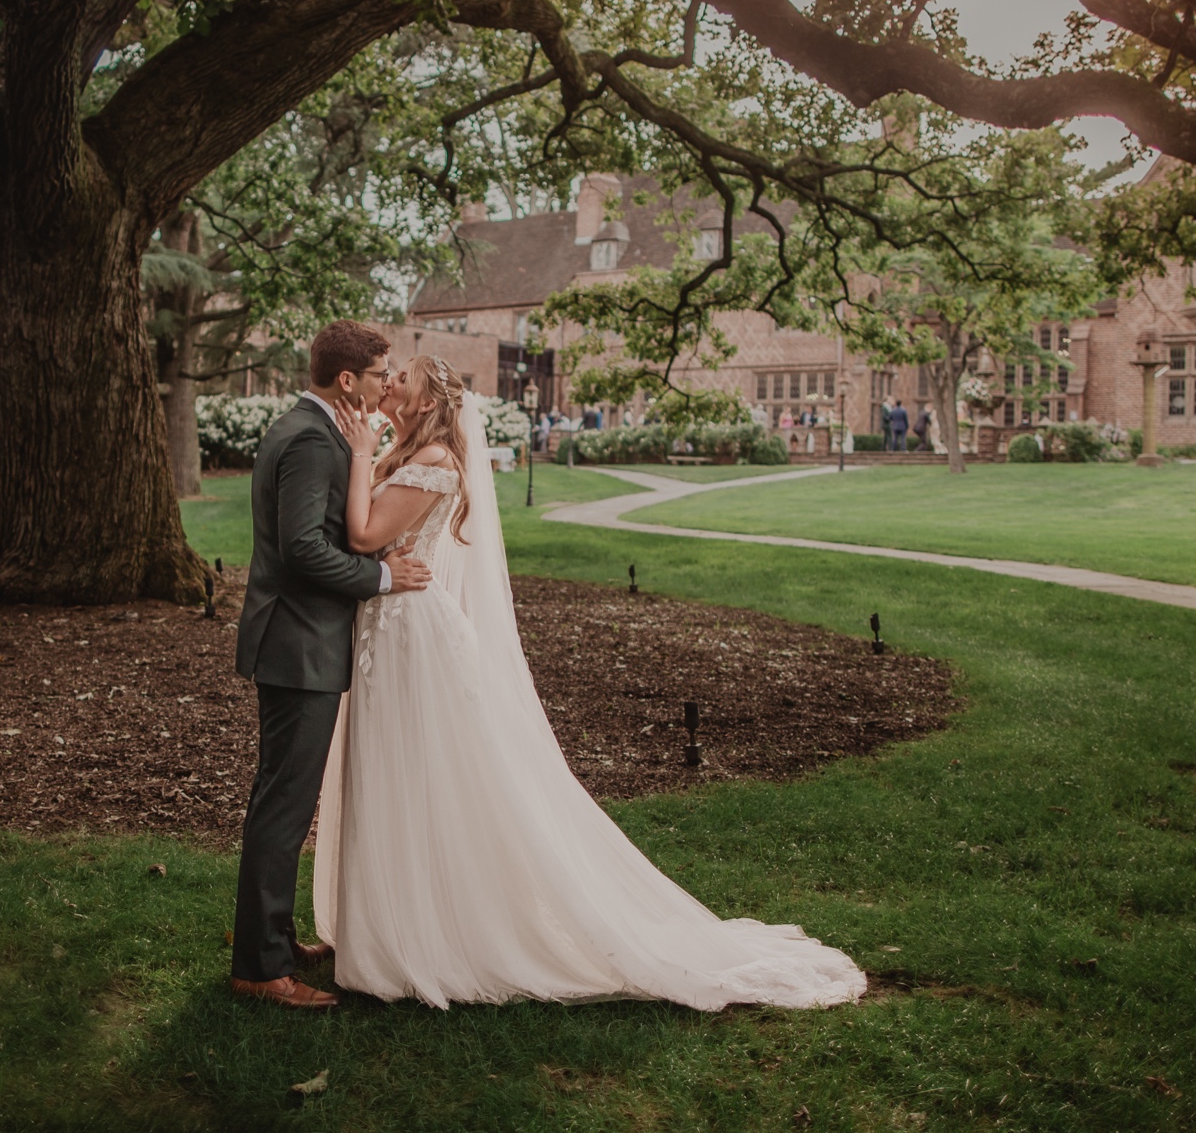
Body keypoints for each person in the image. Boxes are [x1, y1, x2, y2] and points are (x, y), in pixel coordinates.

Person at [320, 358, 866, 1010]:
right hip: (394, 627)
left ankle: (428, 936)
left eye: (403, 377)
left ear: (430, 399)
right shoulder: (408, 447)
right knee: (402, 776)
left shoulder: (434, 456)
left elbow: (363, 534)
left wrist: (357, 453)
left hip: (413, 637)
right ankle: (397, 922)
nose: (390, 383)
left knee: (426, 777)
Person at [229, 321, 433, 1012]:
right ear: (348, 380)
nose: (387, 383)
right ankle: (261, 967)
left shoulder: (303, 427)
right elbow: (303, 551)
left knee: (283, 799)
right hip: (298, 644)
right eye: (380, 373)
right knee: (283, 806)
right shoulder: (315, 440)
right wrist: (383, 576)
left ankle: (276, 942)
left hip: (297, 641)